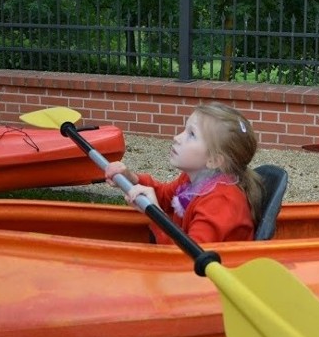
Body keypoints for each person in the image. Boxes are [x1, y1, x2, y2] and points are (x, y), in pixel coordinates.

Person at [104, 102, 264, 244]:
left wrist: (156, 214)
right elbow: (165, 197)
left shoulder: (221, 203)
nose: (177, 137)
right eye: (184, 130)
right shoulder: (194, 178)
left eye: (191, 134)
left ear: (214, 160)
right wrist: (131, 178)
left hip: (208, 274)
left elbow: (190, 259)